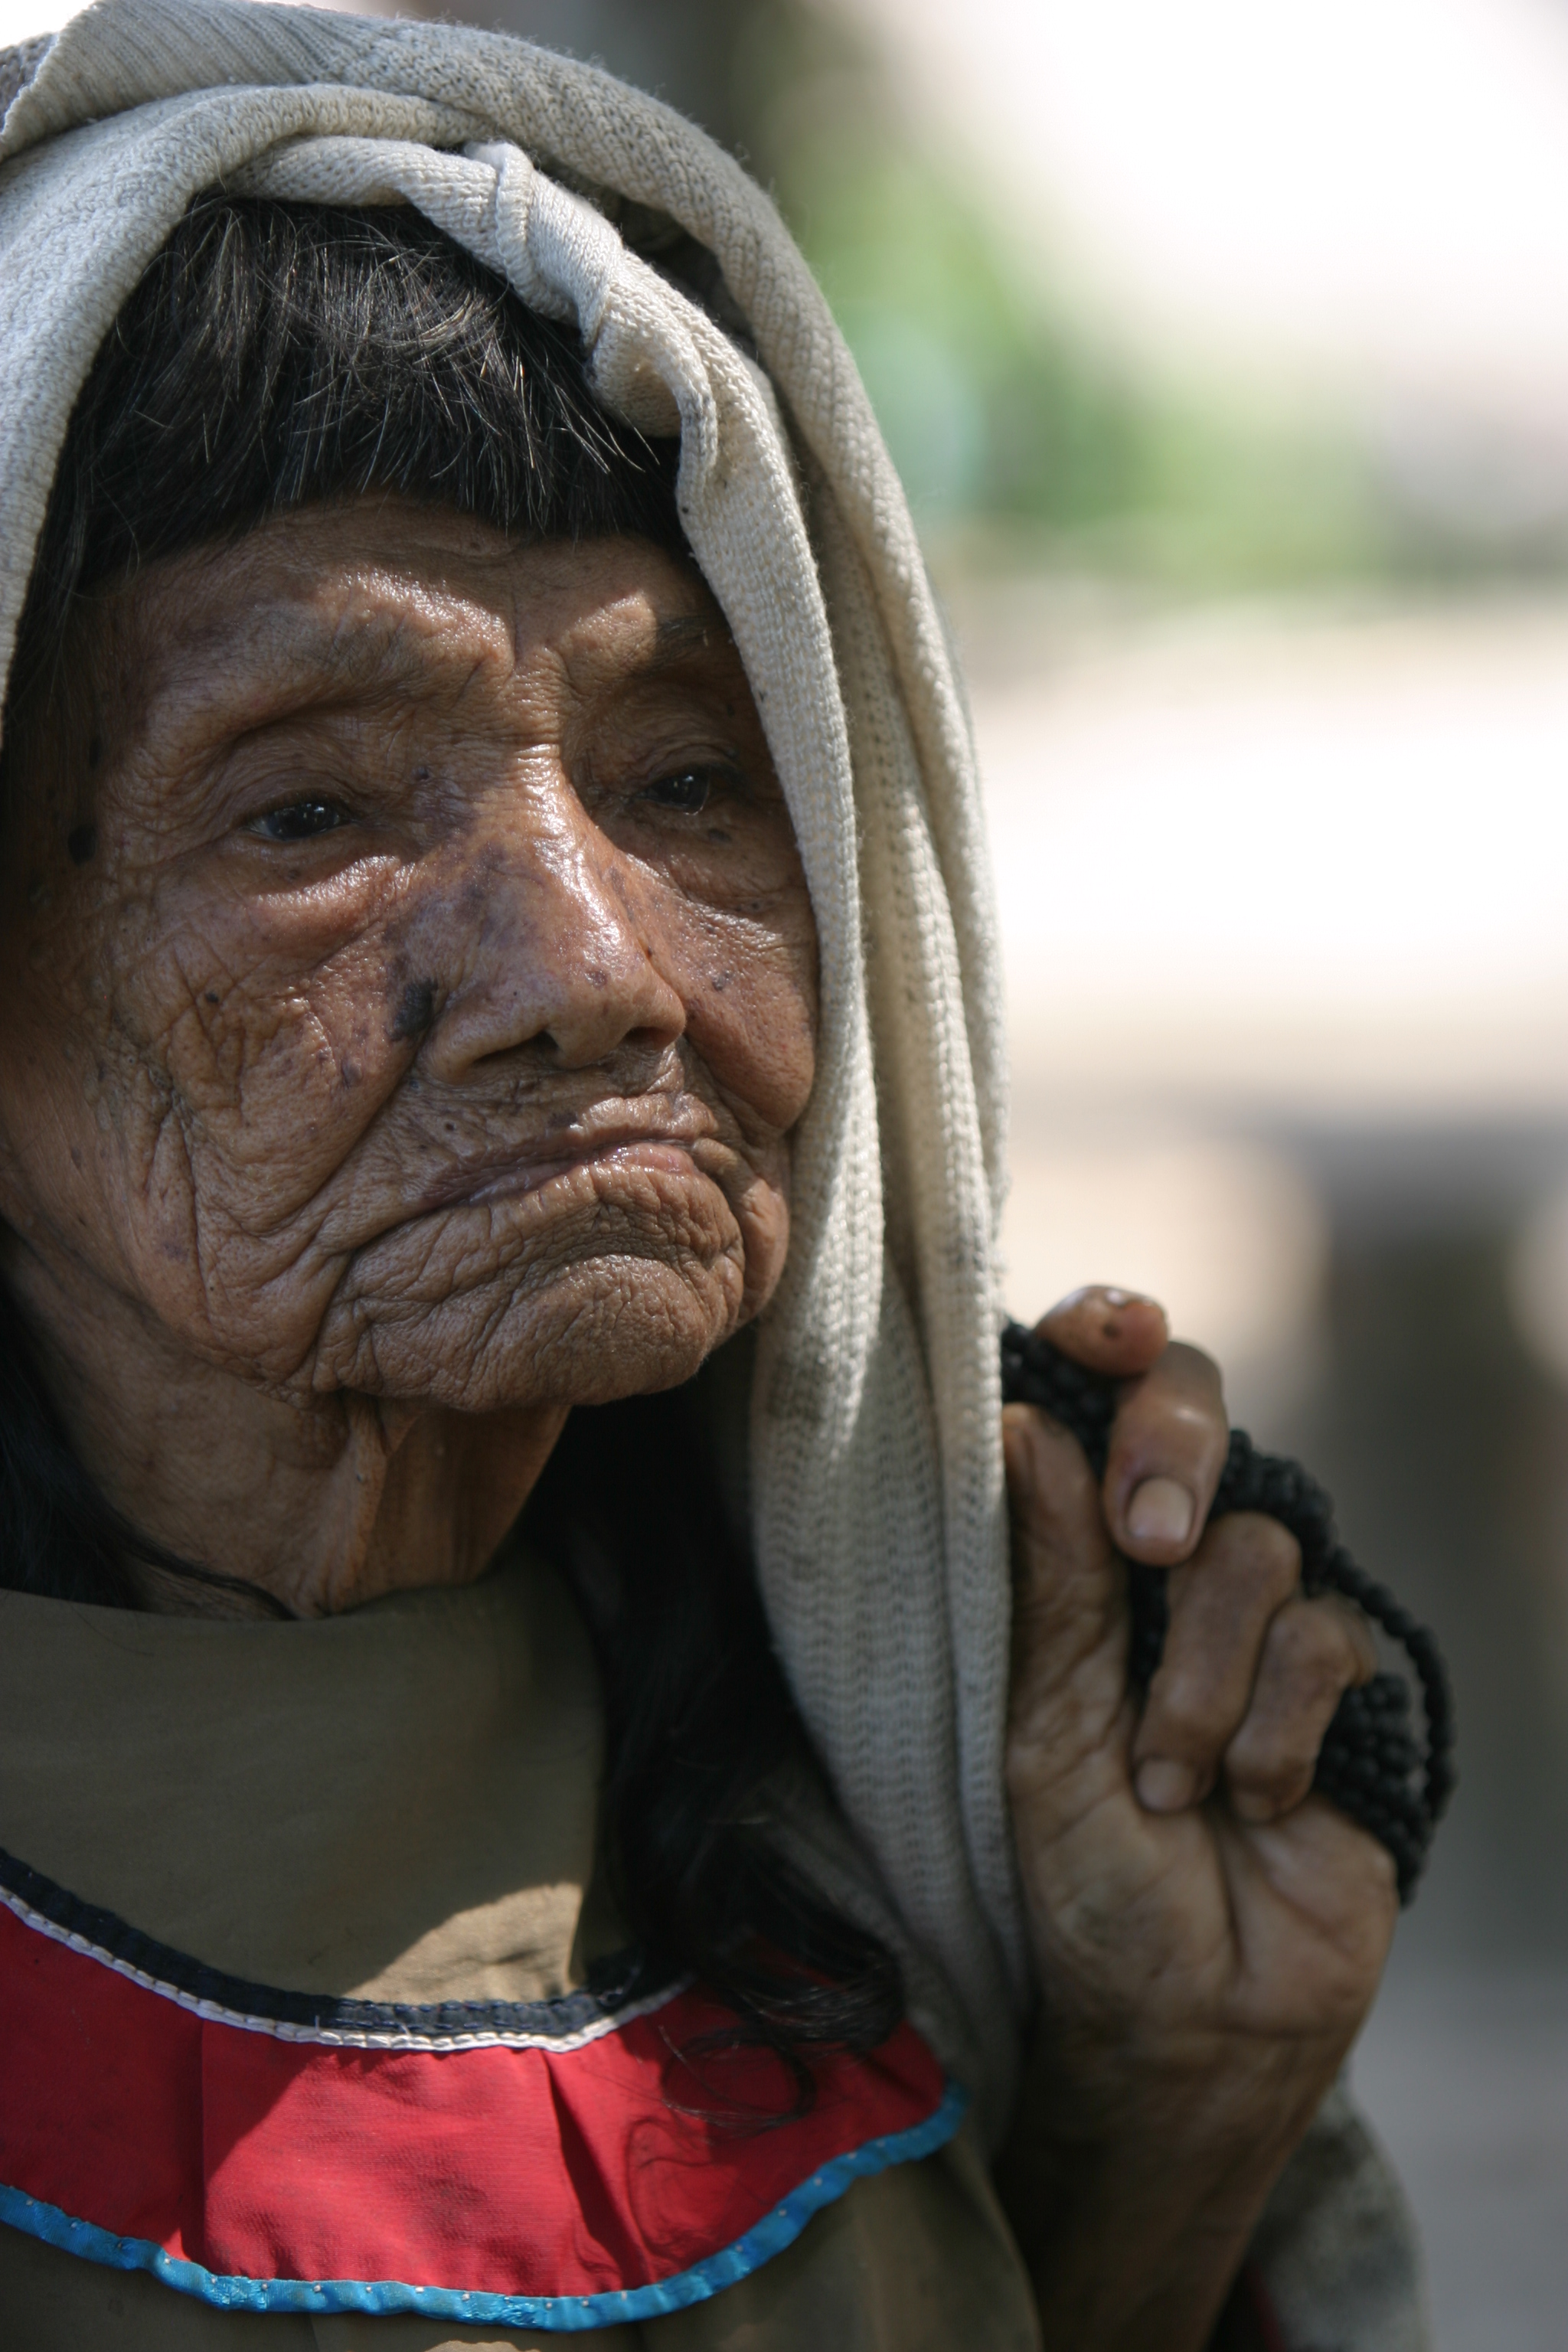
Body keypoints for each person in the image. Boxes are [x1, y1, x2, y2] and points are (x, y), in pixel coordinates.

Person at [0, 5, 1425, 2346]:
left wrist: (1161, 2117)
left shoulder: (867, 1840)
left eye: (685, 782)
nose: (595, 968)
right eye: (309, 813)